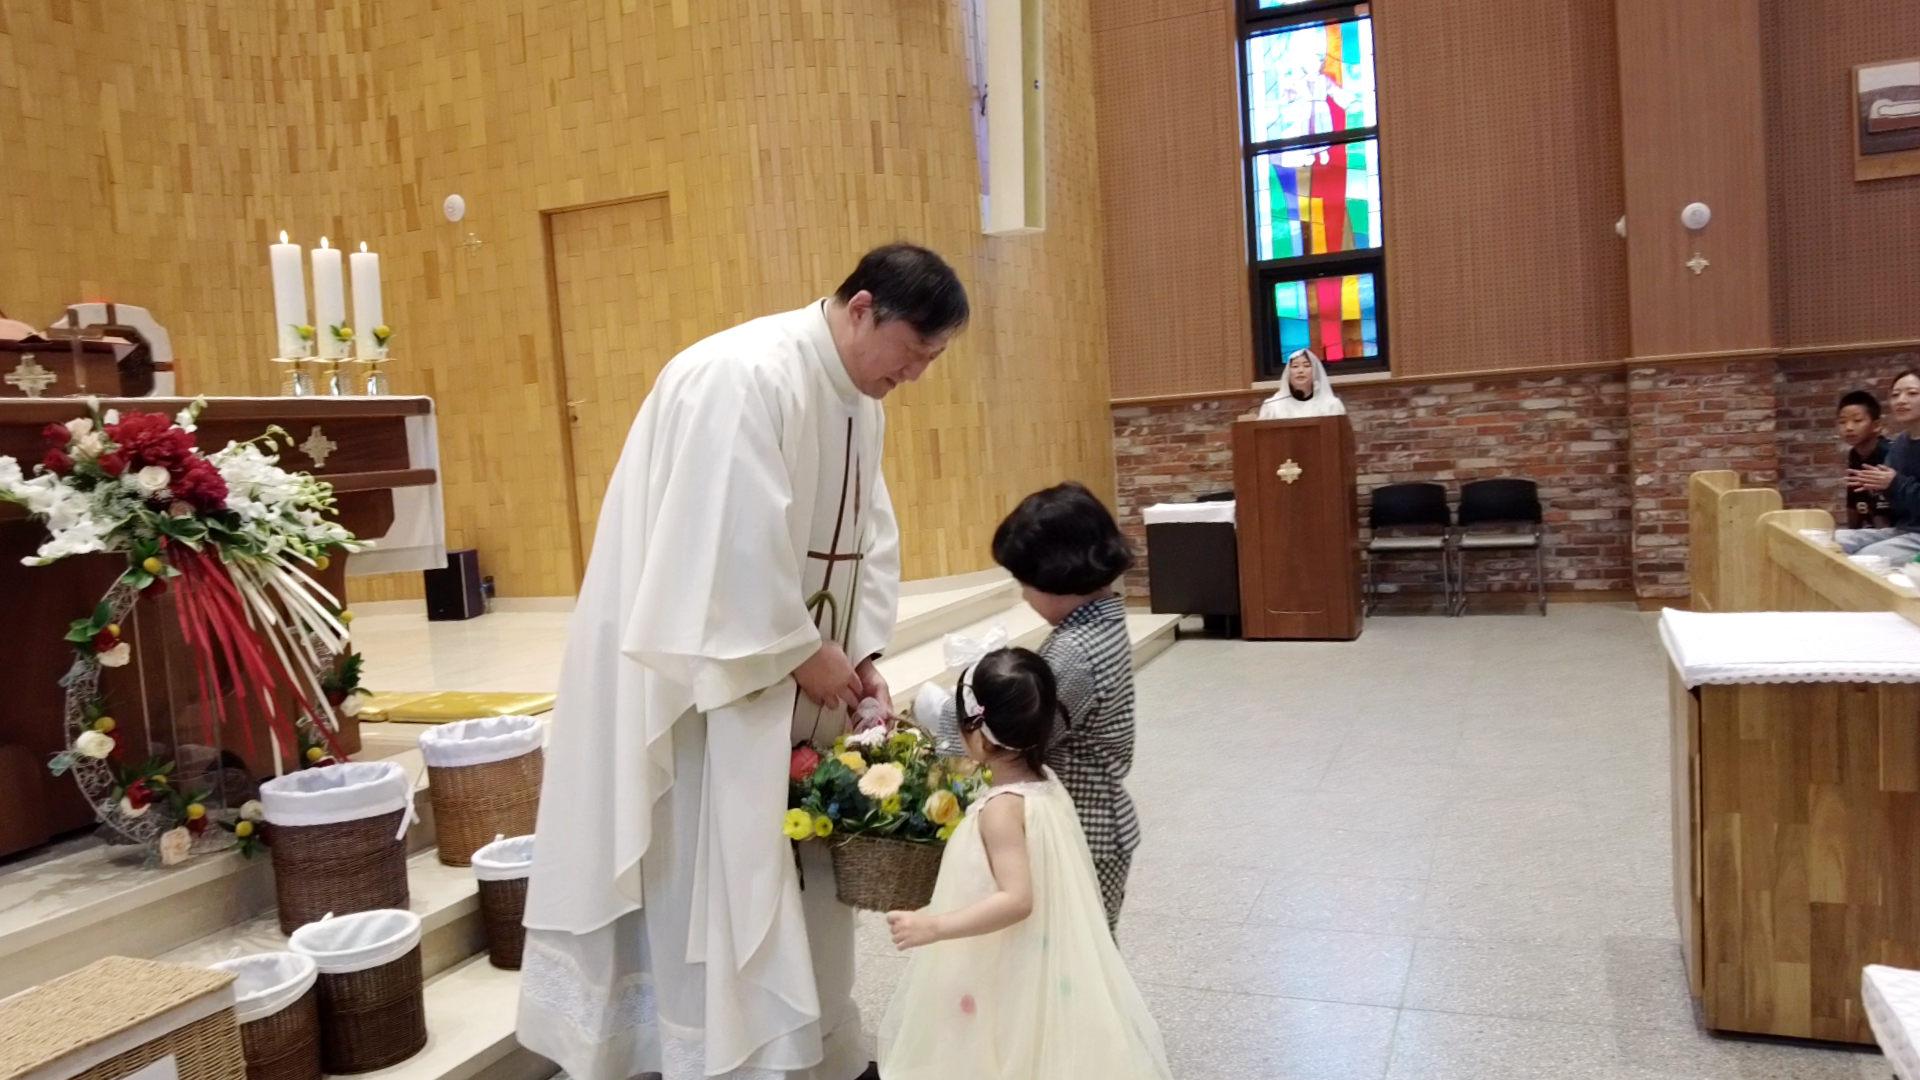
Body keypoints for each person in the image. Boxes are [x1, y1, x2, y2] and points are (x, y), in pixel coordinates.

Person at [516, 244, 968, 1080]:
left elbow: (869, 532)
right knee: (705, 859)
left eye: (931, 359)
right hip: (710, 682)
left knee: (787, 867)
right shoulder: (743, 375)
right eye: (914, 351)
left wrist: (860, 652)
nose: (915, 374)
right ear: (862, 308)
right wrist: (797, 650)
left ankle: (801, 1043)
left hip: (792, 679)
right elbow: (719, 545)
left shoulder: (860, 399)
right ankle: (710, 1048)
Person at [878, 649, 1173, 1080]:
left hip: (1006, 953)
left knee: (1001, 1045)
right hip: (1036, 947)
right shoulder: (1046, 783)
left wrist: (935, 926)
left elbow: (1017, 899)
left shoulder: (1002, 809)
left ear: (979, 736)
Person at [925, 482, 1141, 931]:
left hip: (1081, 831)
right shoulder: (1102, 622)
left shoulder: (1074, 654)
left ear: (1059, 575)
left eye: (1026, 583)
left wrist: (950, 715)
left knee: (1070, 955)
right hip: (1097, 821)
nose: (1024, 597)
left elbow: (1014, 731)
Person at [1840, 370, 1920, 562]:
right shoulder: (1900, 444)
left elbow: (1897, 485)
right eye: (1895, 395)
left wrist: (1895, 484)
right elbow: (1897, 507)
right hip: (1904, 530)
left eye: (1912, 393)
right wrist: (1882, 488)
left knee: (1864, 560)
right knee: (1829, 542)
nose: (1901, 400)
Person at [1838, 389, 1892, 530]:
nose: (1848, 427)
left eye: (1857, 420)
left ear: (1876, 426)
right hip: (1871, 530)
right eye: (1842, 422)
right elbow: (1853, 501)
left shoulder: (1890, 453)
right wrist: (1852, 532)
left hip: (1898, 529)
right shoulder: (1855, 455)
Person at [1256, 346, 1346, 419]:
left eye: (1306, 366)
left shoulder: (1331, 405)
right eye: (1295, 366)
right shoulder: (1273, 406)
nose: (1300, 371)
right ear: (1288, 373)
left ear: (1315, 372)